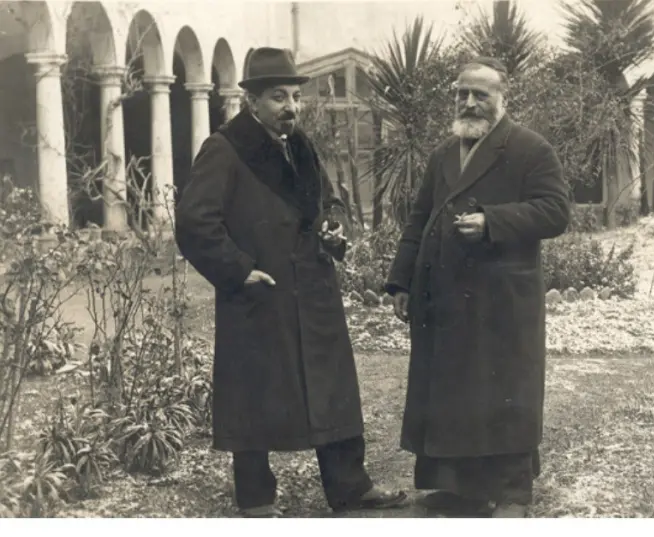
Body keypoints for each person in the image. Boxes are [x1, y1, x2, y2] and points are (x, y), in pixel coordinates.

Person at [174, 47, 406, 518]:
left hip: (314, 288)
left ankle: (349, 486)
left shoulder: (299, 145)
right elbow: (194, 223)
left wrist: (335, 226)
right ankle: (256, 500)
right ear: (252, 101)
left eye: (296, 97)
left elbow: (328, 201)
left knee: (333, 385)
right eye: (279, 97)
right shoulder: (225, 147)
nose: (291, 108)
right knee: (253, 395)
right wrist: (238, 270)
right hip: (261, 293)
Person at [384, 56, 570, 518]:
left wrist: (494, 221)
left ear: (502, 99)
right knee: (451, 388)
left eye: (479, 94)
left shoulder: (530, 148)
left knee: (504, 388)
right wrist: (401, 280)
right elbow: (420, 217)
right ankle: (458, 486)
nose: (469, 103)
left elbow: (555, 212)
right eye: (461, 94)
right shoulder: (444, 152)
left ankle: (512, 493)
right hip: (443, 294)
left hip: (501, 297)